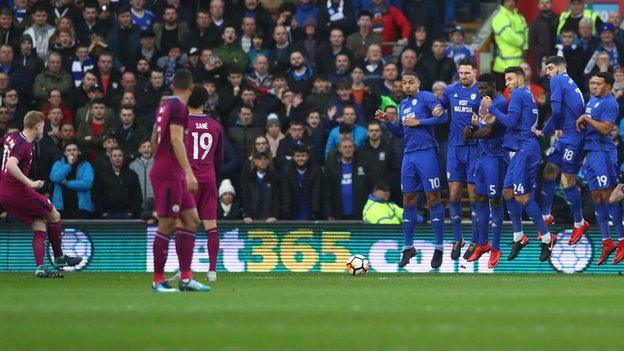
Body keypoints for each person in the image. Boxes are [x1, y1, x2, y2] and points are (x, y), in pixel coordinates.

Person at [375, 70, 447, 269]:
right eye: (403, 83)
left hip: (427, 153)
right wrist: (388, 121)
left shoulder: (427, 97)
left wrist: (420, 122)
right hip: (409, 155)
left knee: (433, 197)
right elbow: (400, 131)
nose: (406, 86)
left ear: (418, 82)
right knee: (408, 199)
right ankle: (408, 247)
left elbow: (443, 117)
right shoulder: (403, 105)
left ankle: (439, 247)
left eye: (410, 82)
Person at [481, 66, 555, 262]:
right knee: (507, 192)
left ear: (520, 79)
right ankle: (519, 236)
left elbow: (511, 122)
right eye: (506, 80)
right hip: (523, 148)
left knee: (522, 197)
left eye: (510, 79)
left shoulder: (518, 95)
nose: (507, 83)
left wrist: (492, 107)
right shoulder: (527, 95)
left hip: (526, 150)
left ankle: (547, 238)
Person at [0, 111, 81, 277]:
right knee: (54, 215)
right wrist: (30, 183)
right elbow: (10, 164)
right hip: (18, 192)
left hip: (4, 193)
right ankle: (59, 258)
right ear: (37, 127)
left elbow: (4, 148)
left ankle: (40, 268)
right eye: (43, 127)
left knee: (39, 225)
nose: (43, 131)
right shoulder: (25, 145)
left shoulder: (13, 136)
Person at [149, 70, 209, 292]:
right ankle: (158, 281)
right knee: (167, 224)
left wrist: (161, 162)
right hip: (170, 174)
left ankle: (186, 278)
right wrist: (188, 172)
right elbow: (175, 139)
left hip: (169, 171)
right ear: (191, 88)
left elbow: (154, 139)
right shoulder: (177, 107)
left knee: (192, 220)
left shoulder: (164, 105)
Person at [535, 56, 589, 244]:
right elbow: (561, 112)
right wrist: (552, 129)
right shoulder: (568, 81)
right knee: (549, 172)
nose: (547, 72)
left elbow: (556, 111)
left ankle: (579, 223)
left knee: (567, 182)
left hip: (575, 138)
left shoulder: (558, 80)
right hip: (567, 136)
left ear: (560, 68)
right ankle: (546, 216)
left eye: (550, 68)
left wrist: (550, 129)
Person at [576, 72, 624, 265]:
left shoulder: (610, 103)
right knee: (596, 197)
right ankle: (607, 241)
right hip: (591, 154)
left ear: (608, 87)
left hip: (603, 153)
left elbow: (605, 129)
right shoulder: (592, 100)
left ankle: (621, 240)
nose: (594, 86)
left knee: (609, 197)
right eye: (592, 83)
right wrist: (582, 123)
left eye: (598, 83)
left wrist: (586, 120)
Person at [462, 73, 509, 268]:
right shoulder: (483, 103)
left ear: (493, 86)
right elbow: (481, 124)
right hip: (482, 157)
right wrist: (472, 127)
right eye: (479, 89)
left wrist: (471, 135)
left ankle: (496, 247)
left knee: (495, 200)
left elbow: (489, 131)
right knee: (479, 198)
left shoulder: (500, 103)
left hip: (496, 157)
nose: (480, 91)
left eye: (483, 88)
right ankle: (483, 244)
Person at [438, 58, 481, 260]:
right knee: (453, 195)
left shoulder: (482, 92)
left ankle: (475, 240)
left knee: (473, 196)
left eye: (467, 73)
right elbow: (441, 107)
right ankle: (458, 238)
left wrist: (477, 124)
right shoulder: (450, 90)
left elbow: (490, 120)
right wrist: (437, 109)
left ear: (475, 72)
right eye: (461, 73)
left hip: (474, 148)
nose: (463, 76)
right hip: (455, 149)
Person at [184, 84, 223, 281]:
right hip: (208, 178)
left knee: (186, 226)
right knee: (211, 225)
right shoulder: (215, 126)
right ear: (205, 101)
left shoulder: (182, 126)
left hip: (189, 180)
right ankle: (212, 271)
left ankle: (185, 271)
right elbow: (220, 158)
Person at [49, 141, 95, 219]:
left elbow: (87, 183)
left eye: (74, 150)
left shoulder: (86, 165)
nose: (72, 152)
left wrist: (67, 183)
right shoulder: (58, 163)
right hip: (61, 208)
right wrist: (69, 165)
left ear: (79, 152)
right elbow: (55, 178)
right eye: (69, 150)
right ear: (65, 153)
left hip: (81, 209)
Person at [491, 0, 528, 90]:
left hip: (519, 64)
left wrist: (526, 44)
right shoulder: (499, 17)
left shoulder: (520, 17)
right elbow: (508, 35)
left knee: (517, 94)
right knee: (503, 95)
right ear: (503, 2)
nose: (510, 3)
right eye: (507, 1)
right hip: (502, 66)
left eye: (512, 1)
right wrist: (524, 44)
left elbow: (527, 32)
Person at [280, 144, 323, 220]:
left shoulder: (316, 170)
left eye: (303, 155)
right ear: (293, 157)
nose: (300, 158)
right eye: (297, 156)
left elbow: (317, 192)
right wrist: (287, 212)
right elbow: (285, 192)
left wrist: (315, 212)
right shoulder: (286, 170)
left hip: (310, 211)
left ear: (308, 156)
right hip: (293, 212)